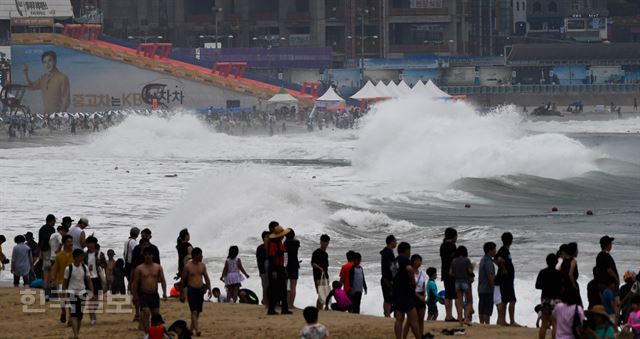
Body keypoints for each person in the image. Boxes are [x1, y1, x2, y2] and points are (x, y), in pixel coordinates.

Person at [132, 246, 168, 333]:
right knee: (146, 312)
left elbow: (163, 280)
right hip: (144, 294)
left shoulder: (158, 267)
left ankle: (153, 332)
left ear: (153, 255)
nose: (148, 256)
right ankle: (147, 332)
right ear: (143, 256)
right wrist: (135, 296)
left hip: (154, 294)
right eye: (146, 254)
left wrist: (164, 293)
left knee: (155, 315)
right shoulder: (139, 268)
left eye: (150, 254)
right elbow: (135, 283)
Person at [180, 247, 212, 337]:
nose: (202, 256)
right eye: (200, 255)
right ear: (195, 255)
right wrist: (181, 293)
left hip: (200, 290)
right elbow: (183, 280)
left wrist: (210, 289)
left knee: (197, 312)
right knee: (194, 311)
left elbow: (206, 278)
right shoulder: (188, 266)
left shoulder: (202, 265)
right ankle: (197, 330)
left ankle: (190, 329)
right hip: (191, 290)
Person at [64, 249, 95, 339]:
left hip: (82, 293)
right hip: (72, 293)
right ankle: (76, 335)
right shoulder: (68, 268)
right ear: (76, 257)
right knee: (73, 314)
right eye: (81, 256)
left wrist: (91, 292)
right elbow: (65, 283)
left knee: (80, 316)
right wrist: (63, 296)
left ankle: (76, 334)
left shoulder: (85, 267)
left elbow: (89, 281)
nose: (82, 257)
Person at [393, 242, 421, 339]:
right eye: (409, 250)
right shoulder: (405, 260)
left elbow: (392, 274)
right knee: (414, 320)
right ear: (406, 250)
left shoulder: (395, 261)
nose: (410, 253)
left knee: (399, 319)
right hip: (406, 293)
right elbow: (409, 269)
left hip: (397, 292)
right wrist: (413, 281)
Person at [535, 253, 562, 339]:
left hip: (545, 299)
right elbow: (562, 287)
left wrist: (546, 286)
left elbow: (537, 286)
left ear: (547, 262)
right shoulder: (559, 274)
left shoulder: (543, 272)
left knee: (544, 324)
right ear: (556, 262)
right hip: (556, 300)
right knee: (555, 324)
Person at [495, 232, 519, 326]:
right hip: (506, 280)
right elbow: (497, 259)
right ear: (511, 240)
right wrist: (503, 268)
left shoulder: (504, 250)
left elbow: (497, 259)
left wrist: (502, 267)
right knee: (512, 300)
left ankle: (502, 320)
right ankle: (512, 321)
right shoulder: (503, 250)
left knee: (504, 300)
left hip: (506, 280)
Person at [267, 225, 291, 315]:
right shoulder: (273, 244)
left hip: (280, 268)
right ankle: (271, 310)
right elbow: (271, 257)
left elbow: (282, 257)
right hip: (275, 269)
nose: (283, 236)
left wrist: (284, 268)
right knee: (274, 290)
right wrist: (273, 271)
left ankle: (285, 309)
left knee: (283, 290)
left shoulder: (280, 243)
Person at [52, 234, 74, 324]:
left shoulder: (75, 254)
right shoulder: (59, 255)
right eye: (68, 242)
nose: (70, 243)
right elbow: (55, 268)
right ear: (64, 243)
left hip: (72, 281)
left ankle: (70, 318)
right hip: (61, 280)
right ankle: (63, 312)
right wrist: (53, 280)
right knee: (62, 300)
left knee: (70, 300)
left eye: (71, 241)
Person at [403, 254, 426, 338]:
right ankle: (404, 336)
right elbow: (409, 286)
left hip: (421, 295)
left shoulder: (422, 273)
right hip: (412, 296)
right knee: (410, 320)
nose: (419, 262)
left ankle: (421, 335)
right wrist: (417, 295)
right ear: (412, 261)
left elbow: (424, 285)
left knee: (421, 319)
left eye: (420, 260)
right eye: (416, 260)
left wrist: (424, 295)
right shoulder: (409, 272)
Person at [450, 245, 474, 327]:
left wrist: (456, 275)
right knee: (469, 301)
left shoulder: (454, 260)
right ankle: (466, 319)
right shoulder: (466, 260)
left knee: (460, 303)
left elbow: (450, 273)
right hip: (466, 282)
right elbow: (470, 271)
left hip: (457, 283)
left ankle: (460, 321)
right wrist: (472, 270)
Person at [85, 236, 105, 325]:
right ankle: (92, 317)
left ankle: (93, 313)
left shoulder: (99, 254)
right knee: (91, 298)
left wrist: (99, 262)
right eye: (88, 243)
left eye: (92, 243)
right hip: (88, 278)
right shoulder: (84, 255)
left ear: (95, 244)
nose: (90, 245)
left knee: (96, 299)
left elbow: (104, 265)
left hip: (97, 278)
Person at [440, 228, 458, 322]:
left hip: (445, 272)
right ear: (454, 236)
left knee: (448, 295)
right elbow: (453, 260)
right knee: (455, 295)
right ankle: (452, 316)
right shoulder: (451, 246)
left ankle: (448, 315)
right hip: (451, 273)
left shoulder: (443, 245)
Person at [478, 242, 497, 325]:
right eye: (495, 249)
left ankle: (482, 324)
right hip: (488, 289)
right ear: (490, 250)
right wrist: (494, 287)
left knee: (481, 309)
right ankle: (486, 324)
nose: (495, 251)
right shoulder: (488, 261)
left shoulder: (483, 259)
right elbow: (490, 275)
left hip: (481, 288)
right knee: (487, 309)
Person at [38, 214, 56, 299]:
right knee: (51, 275)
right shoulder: (51, 229)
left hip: (44, 252)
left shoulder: (41, 229)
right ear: (51, 220)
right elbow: (52, 242)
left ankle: (46, 295)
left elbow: (40, 242)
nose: (55, 222)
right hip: (50, 252)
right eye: (54, 220)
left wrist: (40, 252)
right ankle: (50, 294)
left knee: (45, 274)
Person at [48, 224, 68, 300]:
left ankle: (53, 294)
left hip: (52, 257)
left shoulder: (52, 235)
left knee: (54, 276)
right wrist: (59, 250)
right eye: (65, 233)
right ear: (62, 231)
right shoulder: (58, 235)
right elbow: (61, 242)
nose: (65, 234)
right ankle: (59, 295)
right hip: (57, 257)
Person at [560, 242, 583, 307]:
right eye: (577, 250)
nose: (577, 251)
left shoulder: (563, 262)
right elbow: (570, 274)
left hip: (565, 288)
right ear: (573, 251)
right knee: (578, 306)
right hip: (571, 288)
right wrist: (574, 285)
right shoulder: (573, 261)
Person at [311, 234, 330, 310]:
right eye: (324, 242)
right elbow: (313, 263)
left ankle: (321, 309)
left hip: (325, 276)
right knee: (321, 294)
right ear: (321, 242)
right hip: (318, 276)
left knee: (325, 294)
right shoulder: (316, 252)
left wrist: (327, 276)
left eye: (327, 242)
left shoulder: (326, 254)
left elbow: (326, 267)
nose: (326, 244)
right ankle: (319, 309)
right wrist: (319, 268)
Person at [380, 234, 397, 318]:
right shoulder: (388, 252)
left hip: (385, 278)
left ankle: (387, 314)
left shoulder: (386, 252)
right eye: (395, 241)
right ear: (391, 242)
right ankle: (387, 315)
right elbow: (392, 268)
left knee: (387, 298)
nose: (396, 243)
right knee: (388, 299)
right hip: (387, 279)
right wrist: (392, 279)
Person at [285, 228, 300, 309]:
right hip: (294, 265)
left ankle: (287, 303)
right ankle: (291, 304)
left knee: (286, 286)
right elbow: (296, 239)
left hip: (287, 266)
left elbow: (285, 256)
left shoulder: (285, 243)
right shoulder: (297, 242)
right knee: (293, 287)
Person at [256, 231, 270, 306]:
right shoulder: (260, 248)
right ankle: (265, 300)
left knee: (269, 285)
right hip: (263, 269)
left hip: (269, 268)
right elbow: (258, 260)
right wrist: (260, 271)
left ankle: (267, 300)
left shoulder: (271, 246)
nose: (268, 238)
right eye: (267, 237)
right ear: (263, 238)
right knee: (265, 286)